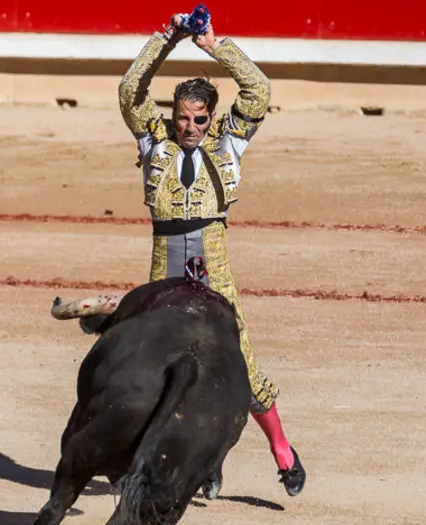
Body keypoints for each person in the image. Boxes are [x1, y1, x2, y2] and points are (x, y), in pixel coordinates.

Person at [117, 11, 306, 498]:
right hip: (164, 277)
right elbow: (129, 92)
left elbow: (258, 91)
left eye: (199, 118)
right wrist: (166, 38)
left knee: (239, 363)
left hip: (212, 276)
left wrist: (212, 44)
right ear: (173, 113)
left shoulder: (229, 144)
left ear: (210, 117)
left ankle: (281, 449)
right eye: (182, 116)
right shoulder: (153, 140)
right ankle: (181, 459)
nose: (190, 126)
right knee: (154, 367)